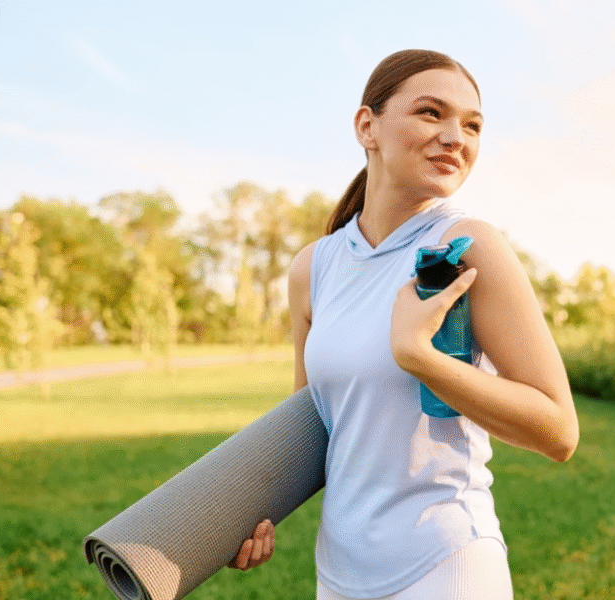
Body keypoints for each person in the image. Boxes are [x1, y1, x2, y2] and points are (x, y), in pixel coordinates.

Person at [229, 49, 579, 599]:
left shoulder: (469, 245)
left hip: (447, 564)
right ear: (367, 126)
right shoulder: (312, 268)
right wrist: (246, 514)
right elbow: (311, 425)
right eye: (431, 113)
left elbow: (559, 431)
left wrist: (421, 358)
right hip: (340, 573)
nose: (455, 137)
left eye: (472, 125)